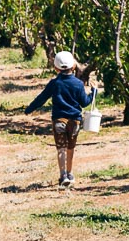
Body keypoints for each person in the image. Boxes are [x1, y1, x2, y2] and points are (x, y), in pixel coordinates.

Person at [23, 51, 97, 188]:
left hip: (58, 120)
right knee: (70, 147)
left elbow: (42, 98)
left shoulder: (54, 83)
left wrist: (29, 109)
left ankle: (63, 175)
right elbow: (85, 102)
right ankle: (70, 173)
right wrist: (93, 94)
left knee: (61, 148)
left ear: (56, 68)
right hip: (75, 121)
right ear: (74, 66)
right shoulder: (78, 84)